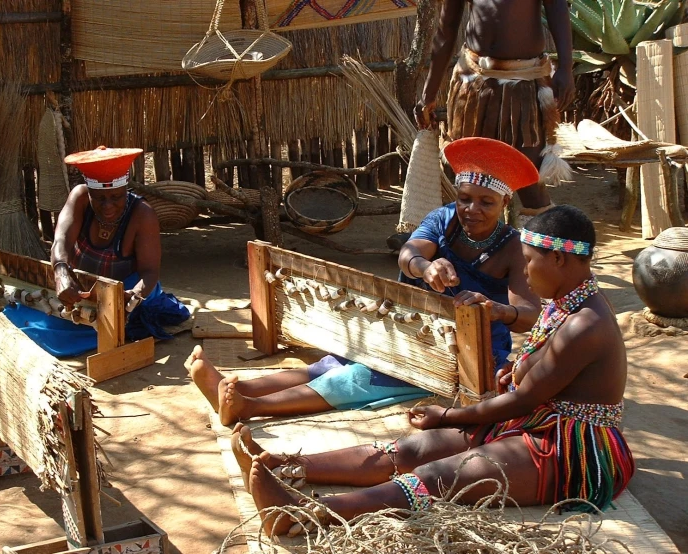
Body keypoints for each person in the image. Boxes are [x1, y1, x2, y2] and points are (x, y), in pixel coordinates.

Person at [232, 204, 636, 535]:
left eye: (530, 262)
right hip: (537, 419)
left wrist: (449, 415)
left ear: (560, 259)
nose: (526, 272)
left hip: (571, 447)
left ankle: (308, 513)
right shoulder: (566, 299)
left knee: (442, 473)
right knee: (413, 449)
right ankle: (283, 464)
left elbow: (523, 401)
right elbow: (536, 370)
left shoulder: (586, 324)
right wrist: (515, 366)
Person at [188, 138, 541, 426]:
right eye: (464, 199)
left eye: (486, 203)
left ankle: (249, 408)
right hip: (411, 325)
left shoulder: (513, 247)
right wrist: (424, 265)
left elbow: (528, 314)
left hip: (467, 352)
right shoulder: (442, 219)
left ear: (505, 202)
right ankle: (236, 387)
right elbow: (408, 254)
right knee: (333, 363)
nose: (471, 209)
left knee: (355, 379)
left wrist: (497, 310)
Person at [4, 146, 190, 356]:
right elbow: (61, 240)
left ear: (125, 192)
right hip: (82, 290)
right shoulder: (80, 198)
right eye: (100, 198)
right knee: (25, 314)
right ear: (89, 192)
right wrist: (62, 273)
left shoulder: (142, 215)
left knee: (72, 334)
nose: (108, 206)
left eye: (116, 197)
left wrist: (134, 297)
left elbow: (149, 272)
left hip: (125, 290)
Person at [414, 0, 575, 222]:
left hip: (525, 81)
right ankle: (476, 250)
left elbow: (556, 7)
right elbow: (446, 30)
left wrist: (566, 67)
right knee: (472, 178)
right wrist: (428, 94)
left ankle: (540, 251)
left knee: (529, 179)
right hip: (473, 84)